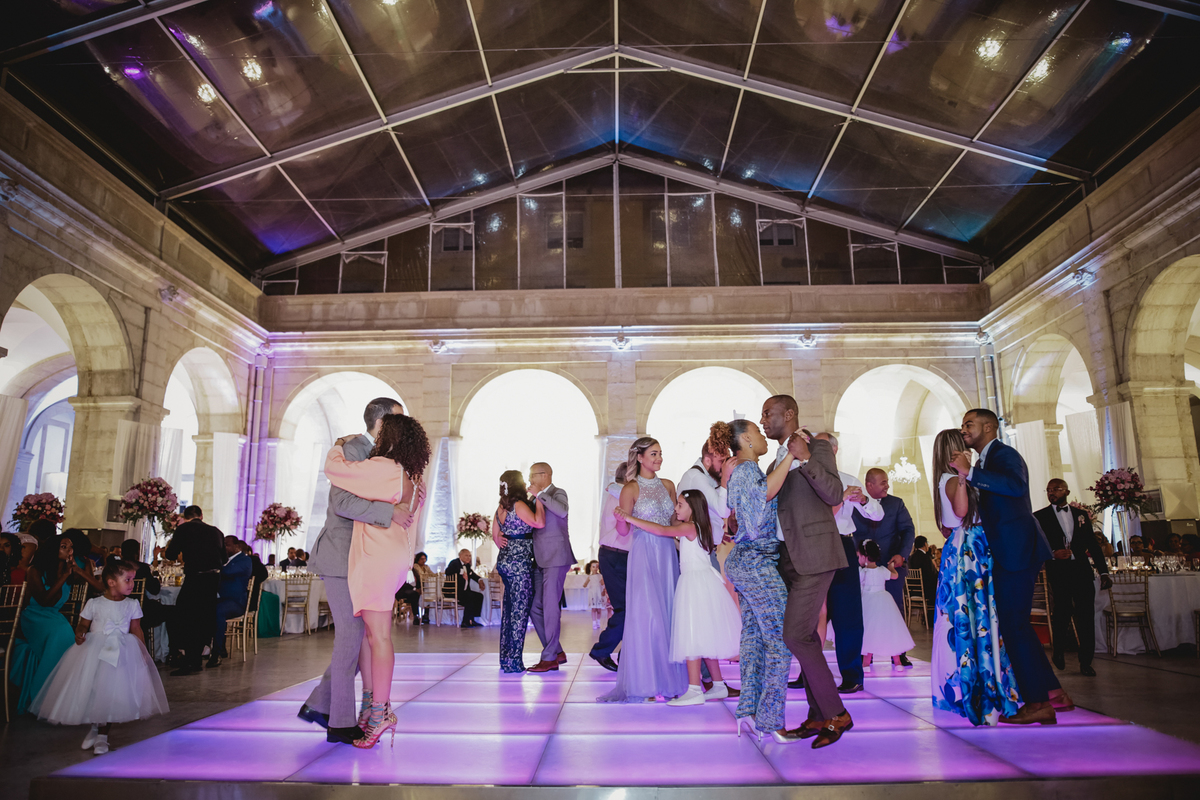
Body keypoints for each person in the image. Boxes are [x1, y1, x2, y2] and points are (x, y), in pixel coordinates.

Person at [301, 397, 414, 745]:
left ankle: (323, 705)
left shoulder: (384, 457)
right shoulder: (354, 448)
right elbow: (342, 503)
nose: (402, 426)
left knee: (358, 639)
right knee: (350, 639)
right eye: (397, 420)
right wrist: (388, 513)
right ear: (380, 423)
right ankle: (339, 721)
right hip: (340, 554)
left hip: (363, 557)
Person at [953, 408, 1069, 725]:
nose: (964, 429)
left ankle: (1037, 703)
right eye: (962, 424)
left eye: (970, 424)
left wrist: (970, 474)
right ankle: (1052, 692)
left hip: (1017, 549)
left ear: (989, 427)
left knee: (1014, 626)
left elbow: (1016, 486)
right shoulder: (984, 460)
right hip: (1009, 550)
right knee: (1017, 626)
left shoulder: (1004, 454)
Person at [323, 413, 430, 749]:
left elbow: (337, 471)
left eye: (382, 434)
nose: (377, 439)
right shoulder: (413, 476)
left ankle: (381, 711)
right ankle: (373, 706)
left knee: (379, 637)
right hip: (394, 554)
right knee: (372, 637)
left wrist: (338, 446)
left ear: (392, 439)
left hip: (377, 555)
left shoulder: (385, 468)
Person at [761, 395, 852, 748]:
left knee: (796, 635)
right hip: (788, 558)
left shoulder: (818, 447)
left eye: (768, 414)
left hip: (816, 555)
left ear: (789, 414)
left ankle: (837, 714)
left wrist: (807, 457)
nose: (764, 420)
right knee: (807, 638)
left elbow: (833, 494)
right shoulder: (775, 460)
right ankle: (817, 716)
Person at [616, 488, 741, 706]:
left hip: (695, 583)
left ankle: (694, 689)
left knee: (692, 632)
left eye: (680, 504)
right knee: (704, 634)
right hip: (703, 581)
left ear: (692, 508)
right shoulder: (699, 527)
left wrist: (629, 518)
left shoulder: (689, 527)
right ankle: (718, 684)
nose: (676, 508)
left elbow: (663, 531)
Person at [29, 559, 168, 754]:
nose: (132, 584)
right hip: (95, 650)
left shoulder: (133, 604)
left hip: (122, 651)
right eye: (127, 579)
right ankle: (95, 727)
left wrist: (142, 652)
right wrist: (80, 632)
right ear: (111, 582)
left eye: (132, 580)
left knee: (113, 692)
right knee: (95, 690)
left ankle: (103, 735)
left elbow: (136, 629)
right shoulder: (94, 603)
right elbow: (83, 624)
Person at [930, 427, 1018, 726]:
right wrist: (965, 476)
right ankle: (978, 686)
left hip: (963, 545)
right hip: (970, 549)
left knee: (967, 615)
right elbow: (962, 509)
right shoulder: (954, 479)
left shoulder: (945, 480)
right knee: (972, 615)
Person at [715, 419, 793, 740]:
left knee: (754, 638)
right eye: (758, 434)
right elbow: (764, 498)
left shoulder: (746, 472)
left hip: (746, 560)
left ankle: (747, 710)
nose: (763, 438)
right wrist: (789, 457)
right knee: (780, 640)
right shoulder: (747, 470)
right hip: (756, 560)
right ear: (746, 439)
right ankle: (770, 719)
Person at [599, 437, 687, 703]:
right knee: (648, 614)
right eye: (653, 454)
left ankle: (670, 679)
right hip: (643, 552)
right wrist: (619, 520)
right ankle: (646, 682)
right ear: (639, 457)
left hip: (667, 553)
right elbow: (624, 530)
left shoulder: (669, 485)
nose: (659, 458)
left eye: (660, 453)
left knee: (668, 611)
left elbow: (672, 521)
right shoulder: (630, 489)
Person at [815, 431, 874, 694]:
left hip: (841, 543)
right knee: (810, 612)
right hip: (813, 545)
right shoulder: (805, 478)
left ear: (835, 450)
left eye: (824, 446)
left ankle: (852, 675)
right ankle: (810, 673)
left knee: (847, 612)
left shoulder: (849, 480)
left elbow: (875, 513)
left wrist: (862, 499)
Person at [1035, 479, 1111, 677]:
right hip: (1059, 570)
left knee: (1086, 615)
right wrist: (1052, 553)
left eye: (1056, 489)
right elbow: (1034, 544)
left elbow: (1093, 546)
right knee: (1062, 612)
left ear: (1066, 491)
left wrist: (1103, 572)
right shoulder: (1039, 516)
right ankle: (1058, 651)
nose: (1051, 493)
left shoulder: (1081, 515)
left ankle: (1086, 661)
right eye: (1048, 490)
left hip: (1081, 569)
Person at [11, 535, 79, 714]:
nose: (69, 550)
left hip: (52, 616)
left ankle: (61, 696)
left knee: (63, 632)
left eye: (71, 547)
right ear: (52, 550)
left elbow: (98, 586)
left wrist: (73, 572)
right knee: (60, 632)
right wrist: (64, 576)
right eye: (64, 546)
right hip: (34, 615)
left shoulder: (66, 570)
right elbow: (44, 601)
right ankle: (43, 698)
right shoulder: (35, 570)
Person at [491, 470, 545, 673]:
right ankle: (514, 662)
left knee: (509, 611)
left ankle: (505, 659)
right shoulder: (519, 505)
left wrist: (505, 542)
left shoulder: (501, 507)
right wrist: (539, 498)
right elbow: (539, 522)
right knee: (519, 613)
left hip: (505, 561)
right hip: (519, 564)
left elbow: (495, 536)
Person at [163, 506, 226, 676]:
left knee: (185, 616)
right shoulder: (216, 531)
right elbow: (224, 558)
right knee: (204, 618)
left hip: (195, 578)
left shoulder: (184, 529)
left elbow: (170, 554)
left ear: (185, 517)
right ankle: (197, 657)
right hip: (213, 580)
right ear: (201, 516)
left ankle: (189, 660)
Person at [851, 470, 915, 632]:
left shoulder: (896, 504)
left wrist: (902, 554)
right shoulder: (854, 504)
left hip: (891, 565)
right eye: (883, 482)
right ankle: (865, 655)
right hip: (863, 568)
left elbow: (908, 530)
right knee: (862, 609)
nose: (887, 486)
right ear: (869, 485)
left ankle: (899, 656)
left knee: (895, 607)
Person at [526, 462, 575, 673]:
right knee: (535, 607)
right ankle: (557, 651)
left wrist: (540, 495)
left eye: (532, 476)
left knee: (550, 606)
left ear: (544, 475)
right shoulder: (532, 497)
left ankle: (549, 658)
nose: (530, 481)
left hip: (556, 556)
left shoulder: (557, 493)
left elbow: (562, 511)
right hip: (538, 558)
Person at [589, 463, 629, 672]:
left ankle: (625, 655)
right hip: (615, 555)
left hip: (619, 555)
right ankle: (602, 651)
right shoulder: (621, 493)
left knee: (631, 609)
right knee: (626, 610)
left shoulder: (619, 492)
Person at [857, 539, 915, 667]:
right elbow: (894, 576)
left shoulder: (862, 572)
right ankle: (898, 662)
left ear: (865, 557)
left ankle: (866, 664)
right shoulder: (882, 570)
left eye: (859, 556)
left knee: (869, 632)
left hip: (867, 602)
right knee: (889, 630)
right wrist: (891, 567)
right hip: (884, 602)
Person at [209, 536, 253, 667]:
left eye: (227, 545)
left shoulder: (245, 560)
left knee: (218, 611)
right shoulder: (224, 560)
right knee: (204, 607)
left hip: (236, 602)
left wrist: (215, 566)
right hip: (221, 598)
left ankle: (216, 652)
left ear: (237, 546)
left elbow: (227, 572)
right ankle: (205, 648)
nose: (224, 548)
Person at [445, 548, 484, 628]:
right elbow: (447, 571)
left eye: (469, 556)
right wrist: (461, 572)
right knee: (470, 597)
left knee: (479, 596)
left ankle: (472, 619)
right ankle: (465, 621)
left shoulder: (467, 565)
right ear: (460, 555)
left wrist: (480, 580)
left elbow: (472, 575)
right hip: (453, 591)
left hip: (463, 591)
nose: (468, 557)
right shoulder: (454, 563)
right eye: (466, 555)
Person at [907, 536, 938, 627]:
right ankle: (931, 619)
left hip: (913, 589)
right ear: (925, 544)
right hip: (925, 589)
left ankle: (926, 618)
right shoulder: (925, 557)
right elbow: (931, 575)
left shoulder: (911, 557)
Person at [412, 552, 435, 624]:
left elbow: (432, 574)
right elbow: (420, 576)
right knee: (424, 592)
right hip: (418, 585)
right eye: (422, 559)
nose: (423, 560)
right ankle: (419, 615)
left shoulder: (426, 567)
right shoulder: (415, 566)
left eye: (425, 559)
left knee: (430, 592)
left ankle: (427, 614)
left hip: (426, 584)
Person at [584, 560, 605, 630]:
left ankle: (598, 621)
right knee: (593, 609)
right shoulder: (590, 577)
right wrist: (585, 584)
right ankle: (594, 622)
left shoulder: (600, 576)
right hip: (592, 593)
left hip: (598, 593)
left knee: (599, 609)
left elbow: (602, 584)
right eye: (593, 567)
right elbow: (585, 584)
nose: (595, 568)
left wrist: (603, 580)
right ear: (590, 568)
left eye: (597, 567)